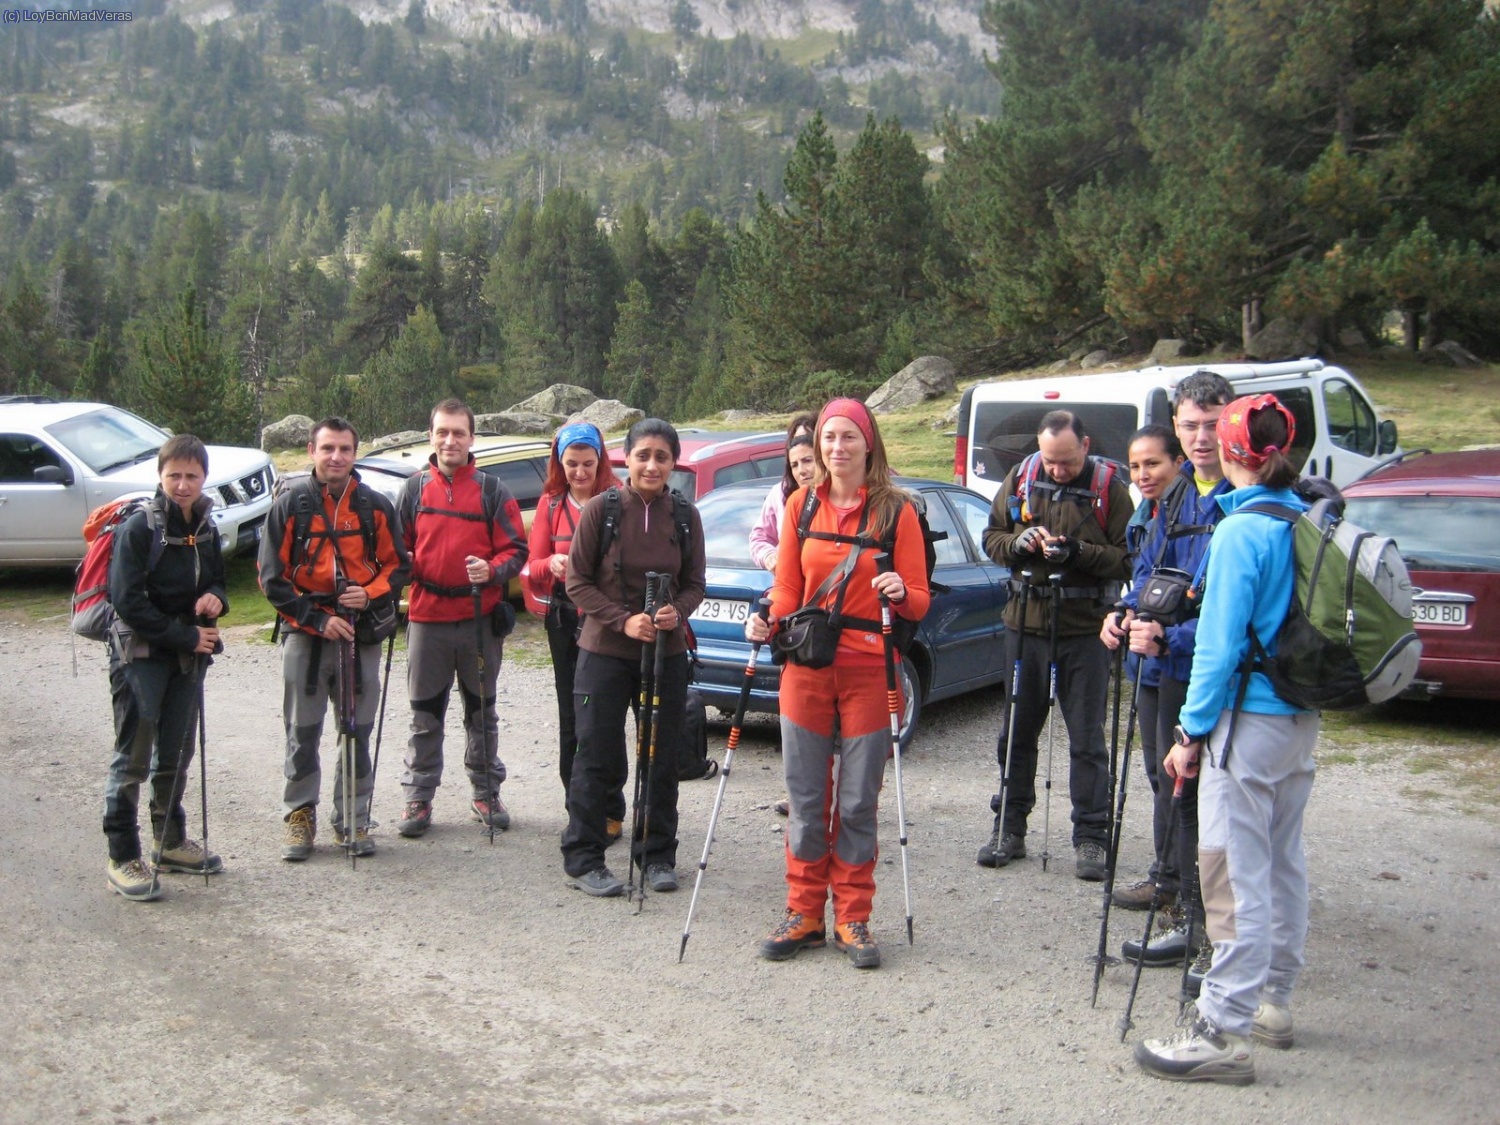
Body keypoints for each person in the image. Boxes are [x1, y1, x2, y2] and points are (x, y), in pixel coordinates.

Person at [1134, 393, 1316, 1086]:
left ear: (1235, 449)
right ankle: (1274, 998)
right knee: (1281, 862)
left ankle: (1223, 1027)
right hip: (1298, 719)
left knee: (1231, 869)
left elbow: (1216, 648)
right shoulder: (1302, 519)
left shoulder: (1242, 532)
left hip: (1249, 721)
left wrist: (1189, 731)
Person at [748, 398, 931, 970]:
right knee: (805, 800)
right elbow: (785, 588)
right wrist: (767, 617)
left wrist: (900, 591)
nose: (836, 448)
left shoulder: (895, 512)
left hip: (869, 671)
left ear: (868, 443)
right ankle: (804, 912)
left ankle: (853, 916)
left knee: (856, 802)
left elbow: (920, 598)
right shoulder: (800, 505)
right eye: (829, 438)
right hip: (806, 669)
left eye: (848, 437)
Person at [1105, 374, 1235, 986]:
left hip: (1201, 672)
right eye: (1192, 424)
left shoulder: (1240, 494)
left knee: (1198, 796)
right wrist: (1121, 615)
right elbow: (1149, 573)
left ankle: (1208, 930)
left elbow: (1233, 612)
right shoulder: (1171, 500)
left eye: (1213, 423)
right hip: (1157, 665)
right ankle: (1180, 900)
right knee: (1168, 785)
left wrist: (1170, 637)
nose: (1203, 435)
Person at [977, 410, 1132, 880]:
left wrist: (1081, 553)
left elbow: (1130, 558)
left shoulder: (1110, 487)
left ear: (1084, 445)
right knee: (1017, 732)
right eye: (1050, 461)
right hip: (1025, 627)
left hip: (1085, 631)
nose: (1057, 470)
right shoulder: (1022, 477)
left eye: (1065, 462)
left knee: (1087, 739)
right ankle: (1009, 827)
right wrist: (1020, 542)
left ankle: (1090, 839)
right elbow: (991, 538)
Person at [561, 418, 706, 897]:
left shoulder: (685, 515)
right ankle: (584, 858)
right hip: (604, 653)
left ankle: (658, 855)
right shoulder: (600, 511)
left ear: (672, 463)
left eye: (661, 457)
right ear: (626, 458)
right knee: (596, 756)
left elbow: (695, 583)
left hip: (667, 654)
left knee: (661, 758)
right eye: (643, 455)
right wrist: (622, 619)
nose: (651, 465)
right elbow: (577, 582)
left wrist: (675, 613)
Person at [260, 417, 406, 860]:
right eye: (328, 449)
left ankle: (353, 819)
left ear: (355, 453)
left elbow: (398, 565)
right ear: (311, 451)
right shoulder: (290, 505)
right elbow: (271, 577)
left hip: (359, 631)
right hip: (307, 632)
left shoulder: (375, 506)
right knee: (302, 730)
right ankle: (299, 817)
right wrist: (316, 620)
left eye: (344, 449)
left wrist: (371, 593)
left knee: (358, 729)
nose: (336, 457)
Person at [102, 434, 227, 901]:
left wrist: (218, 597)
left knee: (175, 752)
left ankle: (169, 842)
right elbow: (127, 602)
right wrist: (188, 636)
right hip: (139, 657)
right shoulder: (139, 529)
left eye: (191, 475)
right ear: (160, 475)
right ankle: (121, 854)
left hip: (186, 656)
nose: (182, 484)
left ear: (203, 478)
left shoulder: (207, 528)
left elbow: (215, 577)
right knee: (133, 757)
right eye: (173, 475)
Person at [395, 399, 527, 838]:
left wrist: (492, 570)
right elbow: (394, 553)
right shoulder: (413, 490)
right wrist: (405, 563)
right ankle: (419, 796)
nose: (450, 440)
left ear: (472, 438)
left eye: (458, 433)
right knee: (424, 715)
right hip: (427, 618)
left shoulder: (493, 490)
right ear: (430, 436)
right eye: (442, 432)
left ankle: (486, 792)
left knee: (481, 712)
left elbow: (517, 551)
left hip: (478, 619)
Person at [525, 421, 614, 818]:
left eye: (588, 464)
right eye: (572, 464)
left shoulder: (617, 499)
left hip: (605, 620)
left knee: (605, 714)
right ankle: (577, 804)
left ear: (600, 462)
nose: (579, 472)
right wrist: (552, 562)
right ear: (560, 463)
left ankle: (610, 805)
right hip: (562, 617)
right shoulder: (551, 504)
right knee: (570, 714)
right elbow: (532, 565)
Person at [748, 411, 817, 818]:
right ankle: (800, 793)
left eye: (810, 451)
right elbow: (758, 537)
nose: (804, 463)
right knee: (796, 710)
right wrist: (773, 556)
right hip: (792, 611)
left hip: (836, 613)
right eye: (797, 453)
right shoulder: (781, 495)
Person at [749, 412, 818, 571]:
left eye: (807, 460)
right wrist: (769, 557)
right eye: (795, 441)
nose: (801, 470)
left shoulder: (842, 493)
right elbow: (759, 538)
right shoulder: (780, 494)